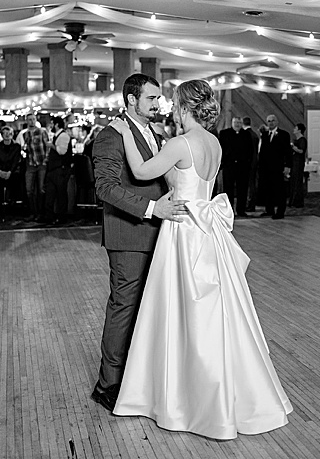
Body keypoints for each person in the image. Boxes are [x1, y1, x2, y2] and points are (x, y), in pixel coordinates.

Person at [107, 79, 292, 439]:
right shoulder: (214, 143)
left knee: (179, 312)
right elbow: (185, 177)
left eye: (175, 102)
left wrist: (125, 131)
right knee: (214, 315)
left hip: (182, 232)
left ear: (184, 106)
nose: (171, 107)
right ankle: (214, 395)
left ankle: (183, 397)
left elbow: (142, 172)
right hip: (209, 234)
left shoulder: (180, 143)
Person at [90, 73, 189, 414]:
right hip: (129, 235)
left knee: (146, 308)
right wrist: (152, 208)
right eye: (151, 98)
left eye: (158, 99)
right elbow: (104, 188)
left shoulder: (152, 133)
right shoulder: (109, 136)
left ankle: (135, 376)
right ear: (131, 100)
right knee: (124, 307)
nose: (157, 104)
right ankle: (108, 385)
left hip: (154, 234)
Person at [258, 114, 293, 219]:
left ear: (277, 122)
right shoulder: (264, 135)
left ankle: (280, 211)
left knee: (280, 190)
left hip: (279, 167)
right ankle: (269, 209)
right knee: (268, 189)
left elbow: (288, 152)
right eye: (268, 121)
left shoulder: (284, 134)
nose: (271, 123)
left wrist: (288, 166)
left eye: (273, 120)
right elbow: (263, 152)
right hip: (267, 167)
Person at [218, 116, 254, 217]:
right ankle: (229, 211)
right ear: (232, 123)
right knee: (228, 189)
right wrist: (223, 163)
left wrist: (248, 163)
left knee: (242, 189)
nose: (237, 124)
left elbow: (250, 150)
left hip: (242, 167)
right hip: (229, 166)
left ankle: (241, 210)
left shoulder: (246, 134)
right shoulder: (224, 133)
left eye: (239, 122)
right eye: (235, 122)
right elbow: (221, 149)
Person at [41, 117, 72, 225]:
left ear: (57, 125)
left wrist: (51, 146)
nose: (51, 126)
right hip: (55, 169)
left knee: (60, 195)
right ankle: (50, 216)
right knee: (52, 194)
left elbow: (62, 151)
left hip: (60, 169)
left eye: (52, 124)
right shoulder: (58, 135)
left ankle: (61, 218)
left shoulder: (63, 136)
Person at [0, 125, 22, 212]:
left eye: (9, 133)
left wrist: (10, 172)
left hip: (12, 171)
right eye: (5, 133)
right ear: (2, 135)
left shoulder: (17, 147)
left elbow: (15, 161)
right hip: (0, 171)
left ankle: (13, 205)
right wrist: (0, 171)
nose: (8, 135)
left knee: (16, 180)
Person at [242, 116, 260, 211]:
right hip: (255, 161)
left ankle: (249, 204)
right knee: (252, 184)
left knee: (249, 184)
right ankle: (251, 203)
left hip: (248, 163)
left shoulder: (245, 134)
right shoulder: (254, 134)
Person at [289, 123, 308, 207]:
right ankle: (293, 200)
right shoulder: (297, 139)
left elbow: (301, 151)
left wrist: (293, 147)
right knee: (293, 181)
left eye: (295, 128)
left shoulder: (302, 140)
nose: (294, 129)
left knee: (297, 182)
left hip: (299, 162)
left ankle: (298, 202)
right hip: (294, 162)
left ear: (299, 130)